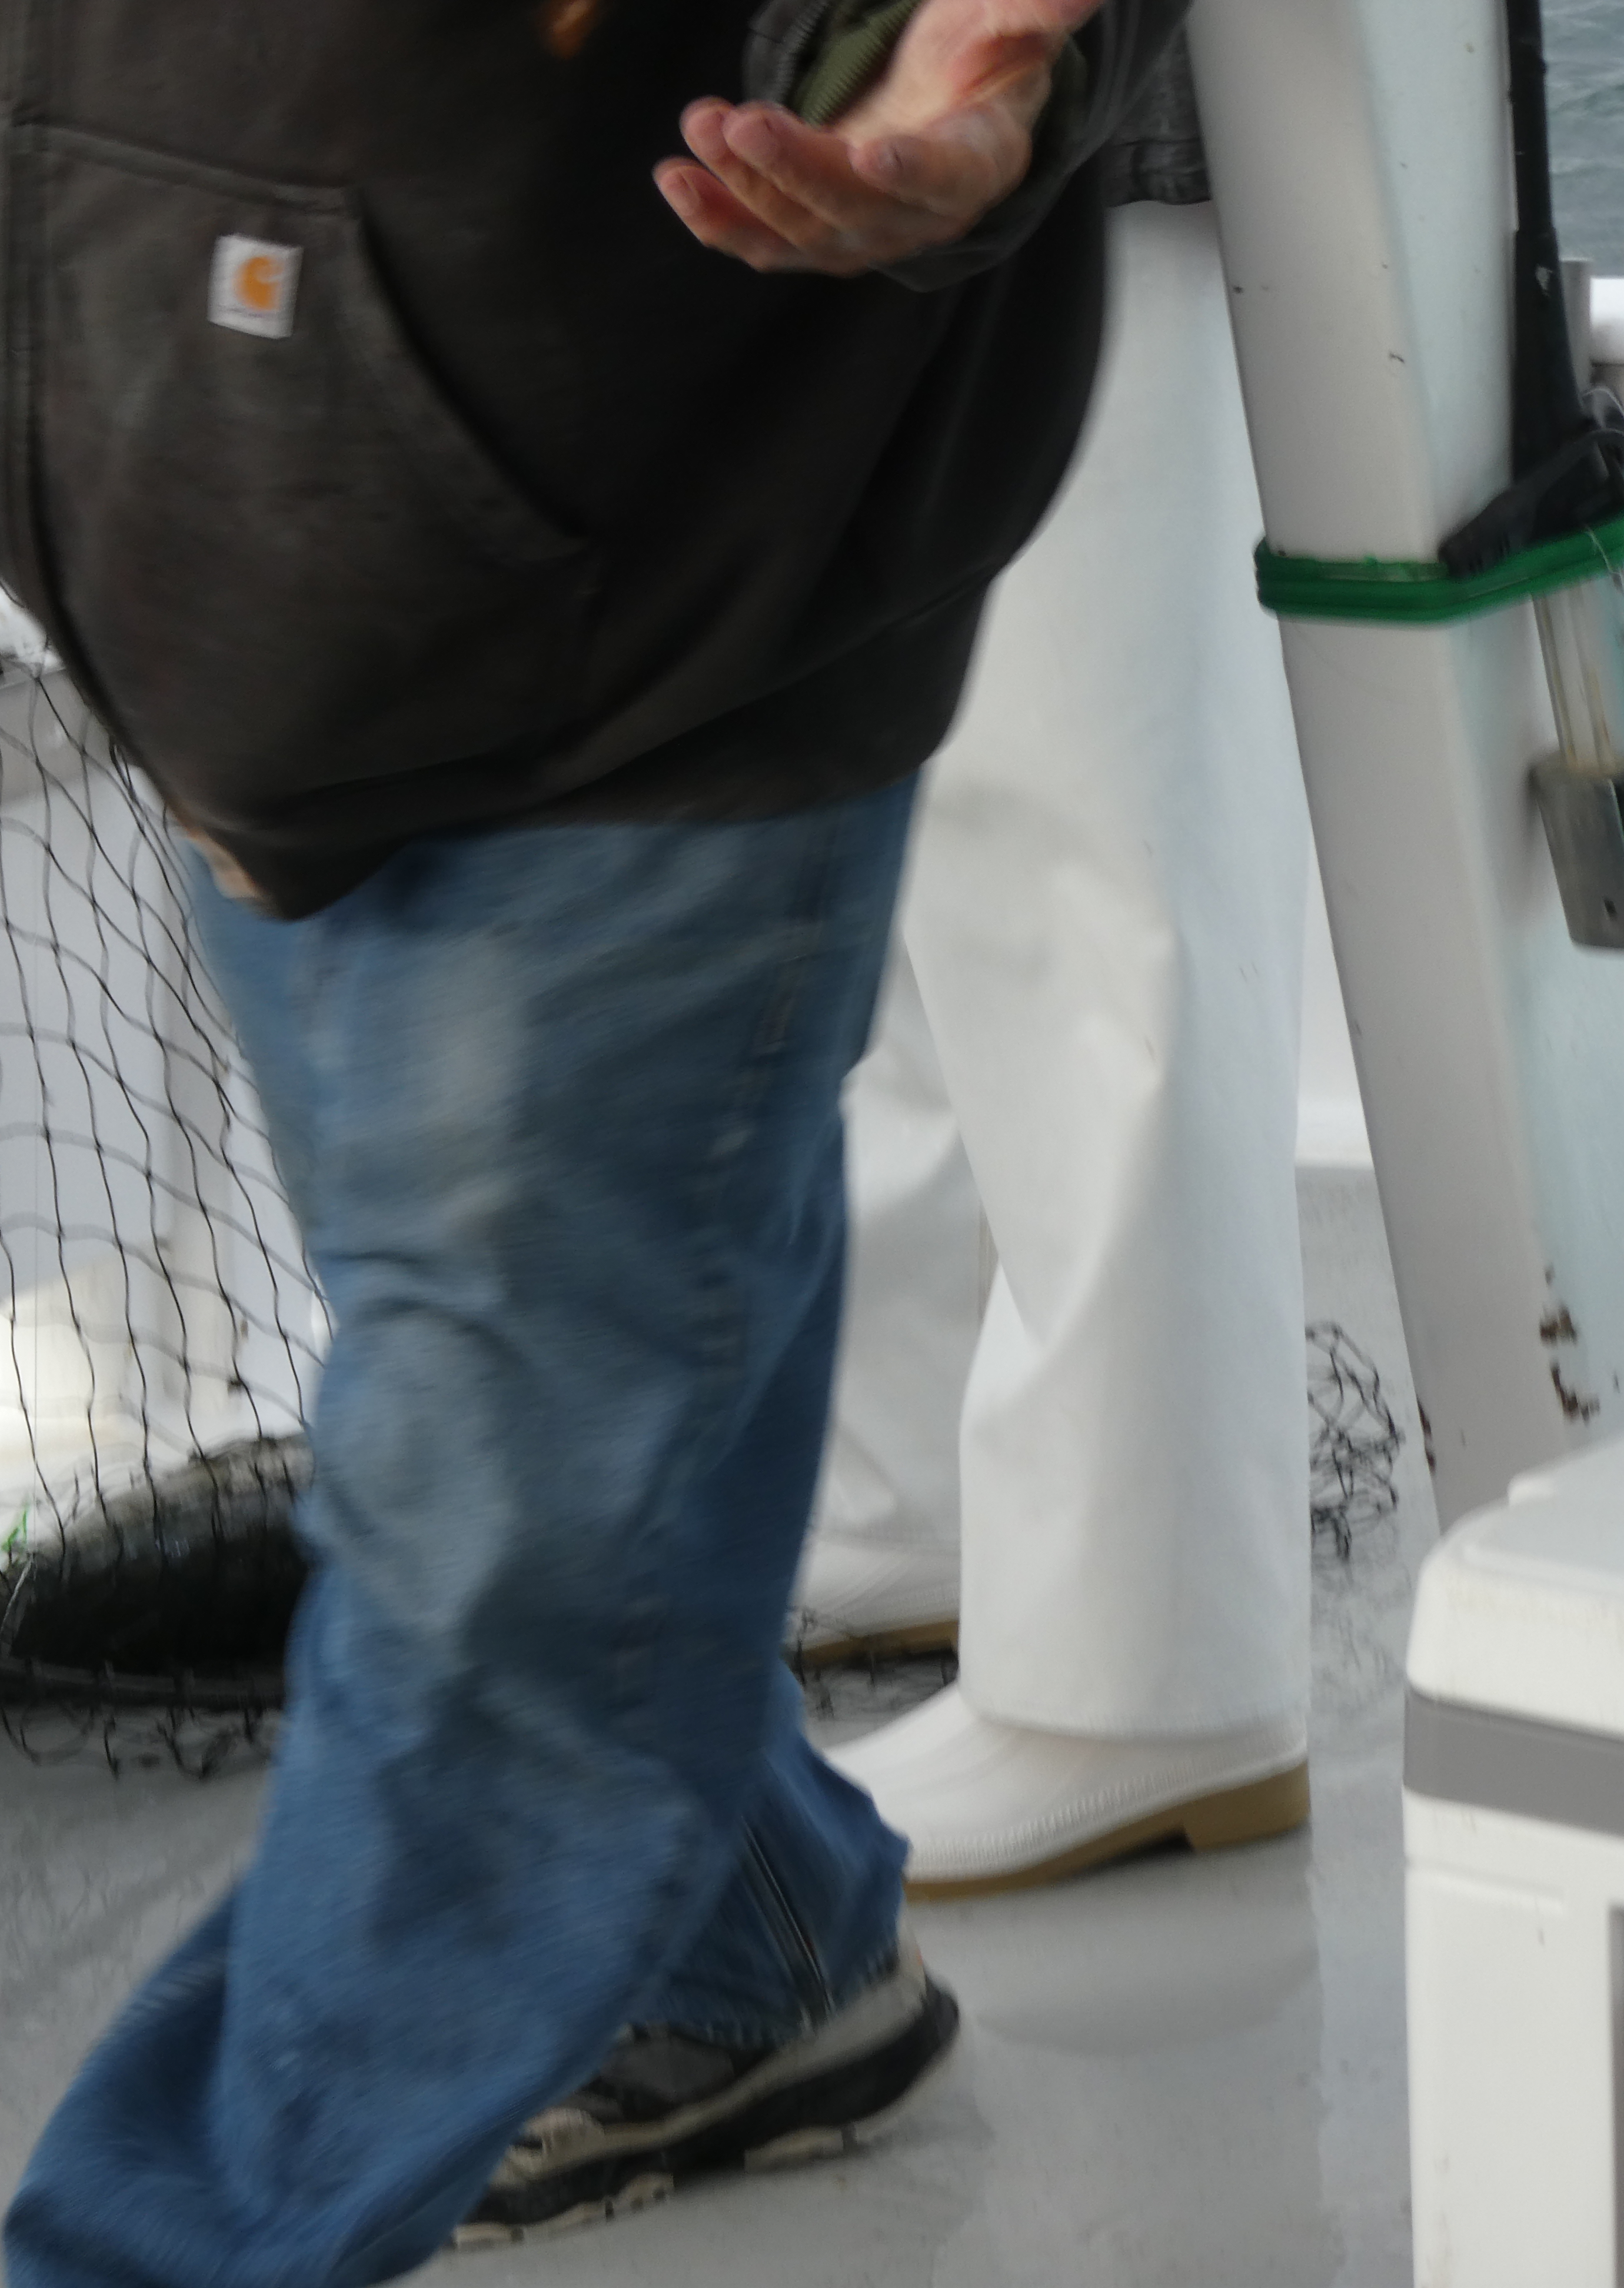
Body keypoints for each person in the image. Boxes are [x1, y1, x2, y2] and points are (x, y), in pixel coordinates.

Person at [0, 0, 1191, 2276]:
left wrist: (966, 85)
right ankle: (753, 1971)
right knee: (539, 1468)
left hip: (653, 653)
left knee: (502, 1579)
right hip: (238, 613)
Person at [795, 49, 1316, 1895]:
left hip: (1122, 104)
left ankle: (1150, 1676)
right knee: (919, 815)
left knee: (1093, 857)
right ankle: (898, 1510)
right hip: (873, 89)